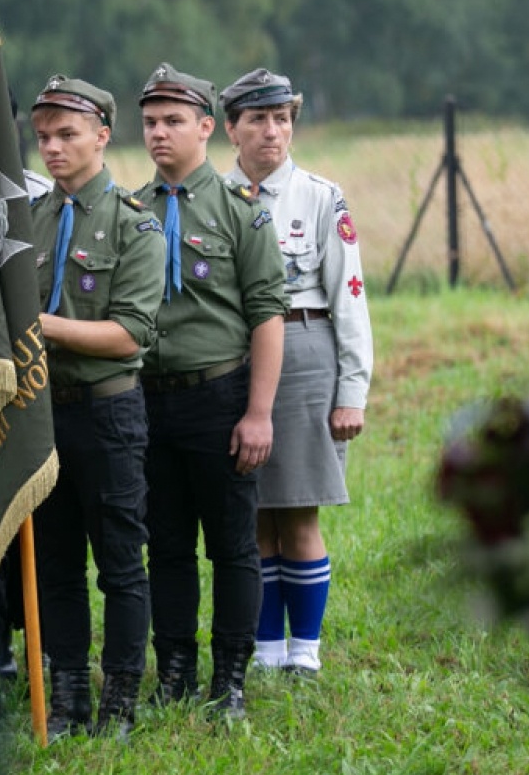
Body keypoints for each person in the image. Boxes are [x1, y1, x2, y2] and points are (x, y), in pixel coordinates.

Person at [131, 62, 288, 720]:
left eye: (173, 121)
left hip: (218, 397)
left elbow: (267, 313)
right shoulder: (129, 210)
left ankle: (230, 679)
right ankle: (174, 671)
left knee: (230, 543)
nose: (159, 133)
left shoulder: (240, 211)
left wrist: (258, 412)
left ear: (204, 127)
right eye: (149, 123)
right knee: (164, 543)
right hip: (145, 400)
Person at [221, 68, 374, 678]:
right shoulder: (212, 196)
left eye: (282, 118)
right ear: (229, 128)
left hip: (306, 347)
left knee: (300, 509)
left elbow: (350, 298)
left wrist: (352, 393)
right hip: (233, 357)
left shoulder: (319, 196)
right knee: (254, 509)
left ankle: (304, 651)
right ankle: (265, 648)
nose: (272, 131)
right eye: (257, 119)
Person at [27, 75, 165, 739]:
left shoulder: (135, 224)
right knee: (55, 560)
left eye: (67, 135)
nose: (52, 149)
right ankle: (69, 691)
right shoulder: (33, 218)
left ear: (103, 136)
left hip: (106, 413)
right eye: (44, 137)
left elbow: (130, 333)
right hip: (40, 410)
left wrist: (39, 325)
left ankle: (119, 701)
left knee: (118, 559)